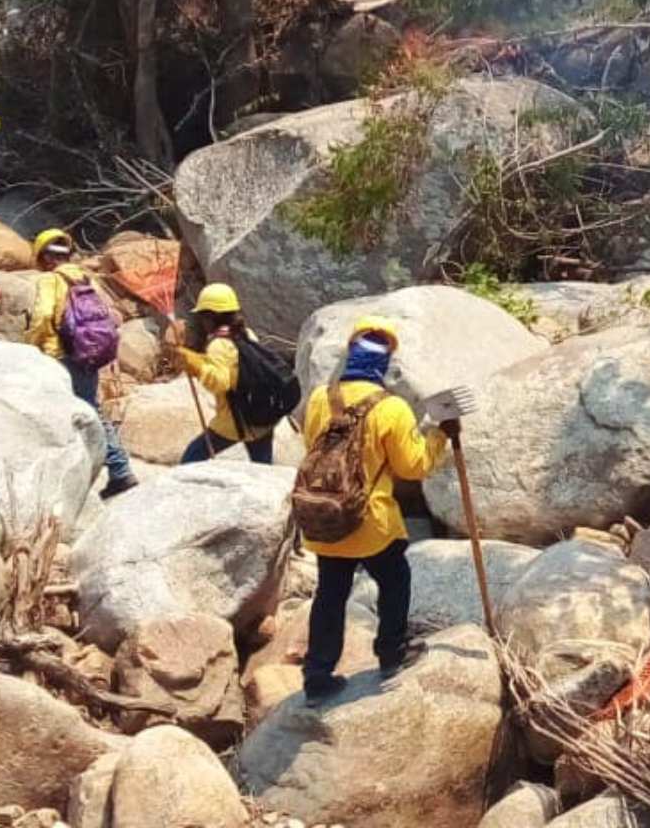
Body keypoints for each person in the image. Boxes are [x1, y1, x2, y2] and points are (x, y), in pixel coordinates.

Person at [299, 317, 460, 700]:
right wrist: (439, 435)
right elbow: (413, 466)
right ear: (384, 363)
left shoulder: (321, 398)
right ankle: (391, 652)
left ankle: (317, 676)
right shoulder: (391, 408)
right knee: (394, 580)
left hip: (325, 514)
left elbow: (311, 446)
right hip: (370, 522)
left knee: (330, 594)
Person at [27, 229, 137, 499]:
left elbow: (42, 316)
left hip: (59, 354)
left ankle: (115, 470)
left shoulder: (51, 279)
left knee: (59, 414)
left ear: (45, 258)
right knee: (91, 409)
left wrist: (29, 344)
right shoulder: (84, 277)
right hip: (87, 352)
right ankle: (118, 469)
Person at [170, 283, 277, 463]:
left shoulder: (218, 344)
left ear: (212, 317)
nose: (201, 322)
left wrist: (194, 364)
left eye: (203, 316)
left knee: (192, 457)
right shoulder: (246, 334)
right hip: (261, 415)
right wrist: (195, 358)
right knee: (263, 465)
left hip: (235, 421)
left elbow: (220, 382)